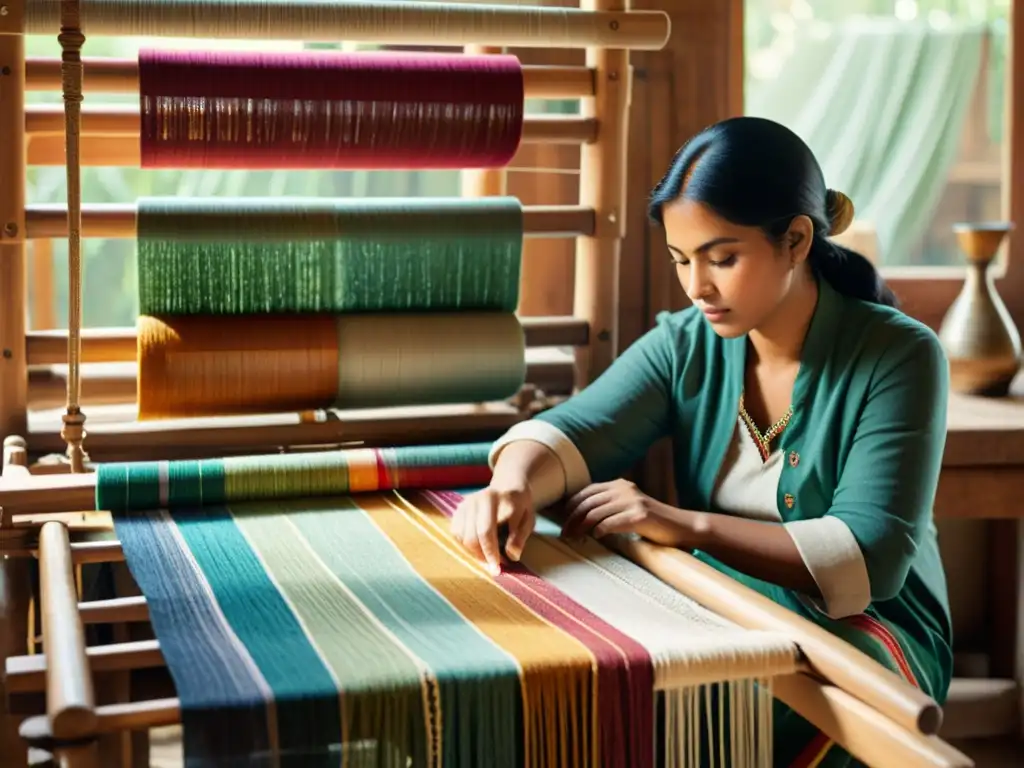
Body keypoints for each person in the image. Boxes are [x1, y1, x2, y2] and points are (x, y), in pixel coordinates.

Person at [451, 116, 953, 766]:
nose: (697, 287)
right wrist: (512, 482)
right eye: (681, 260)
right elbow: (574, 431)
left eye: (723, 258)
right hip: (723, 605)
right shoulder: (687, 343)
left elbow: (870, 557)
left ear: (796, 240)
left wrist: (684, 526)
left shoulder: (901, 355)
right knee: (580, 679)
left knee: (712, 706)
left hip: (872, 632)